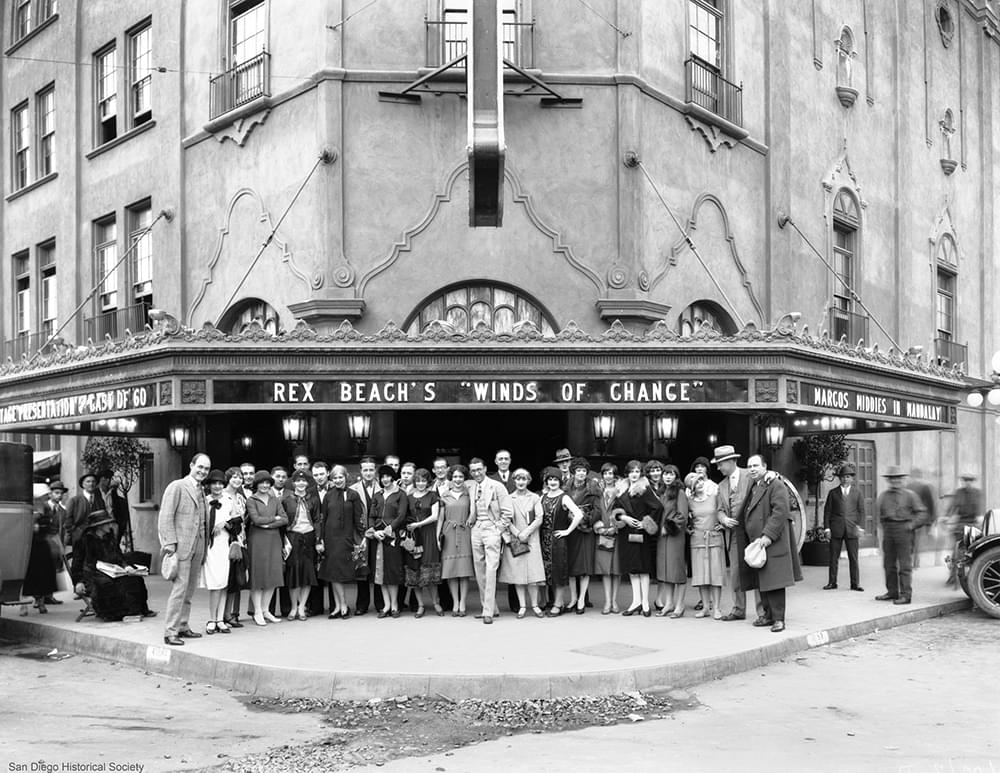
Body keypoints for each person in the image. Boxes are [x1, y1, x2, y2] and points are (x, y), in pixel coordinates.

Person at [738, 454, 801, 633]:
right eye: (749, 466)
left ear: (765, 466)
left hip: (772, 541)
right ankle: (767, 615)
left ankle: (779, 619)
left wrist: (768, 535)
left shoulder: (776, 484)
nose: (752, 469)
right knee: (762, 581)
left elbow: (780, 512)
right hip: (757, 542)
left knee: (775, 582)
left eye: (756, 465)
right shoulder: (754, 486)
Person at [158, 453, 211, 645]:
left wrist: (204, 548)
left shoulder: (202, 491)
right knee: (179, 590)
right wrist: (170, 545)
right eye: (200, 467)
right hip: (181, 546)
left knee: (189, 591)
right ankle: (170, 631)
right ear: (191, 465)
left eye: (206, 469)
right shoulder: (177, 486)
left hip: (197, 547)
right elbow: (165, 517)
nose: (203, 471)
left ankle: (182, 625)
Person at [72, 510, 154, 622]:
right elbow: (77, 563)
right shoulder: (85, 540)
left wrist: (126, 567)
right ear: (99, 526)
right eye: (107, 523)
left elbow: (118, 556)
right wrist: (78, 581)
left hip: (112, 570)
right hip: (92, 574)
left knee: (134, 578)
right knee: (108, 583)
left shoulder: (109, 537)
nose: (110, 525)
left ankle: (136, 610)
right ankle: (116, 613)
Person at [713, 445, 763, 623]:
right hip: (734, 534)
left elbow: (769, 480)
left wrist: (772, 474)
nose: (718, 468)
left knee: (757, 569)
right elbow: (718, 510)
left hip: (753, 532)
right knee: (735, 573)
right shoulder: (721, 485)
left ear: (731, 461)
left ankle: (762, 611)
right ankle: (738, 609)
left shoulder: (750, 475)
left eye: (720, 464)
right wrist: (724, 519)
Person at [612, 460, 662, 616]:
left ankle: (645, 602)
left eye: (637, 471)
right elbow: (615, 511)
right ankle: (636, 602)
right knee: (632, 569)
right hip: (626, 533)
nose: (634, 474)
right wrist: (623, 518)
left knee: (643, 568)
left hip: (641, 533)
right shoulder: (620, 490)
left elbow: (658, 507)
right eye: (631, 471)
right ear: (627, 473)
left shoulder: (645, 489)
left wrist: (645, 523)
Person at [316, 464, 366, 619]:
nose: (338, 480)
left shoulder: (353, 495)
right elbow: (322, 520)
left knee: (341, 573)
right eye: (335, 478)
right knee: (333, 573)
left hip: (346, 539)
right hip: (330, 539)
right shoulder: (328, 496)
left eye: (340, 477)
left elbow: (359, 518)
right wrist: (321, 539)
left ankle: (342, 605)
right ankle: (340, 606)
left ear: (346, 477)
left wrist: (363, 536)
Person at [467, 457, 513, 624]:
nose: (477, 473)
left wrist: (498, 528)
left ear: (485, 469)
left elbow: (508, 512)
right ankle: (490, 607)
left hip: (492, 528)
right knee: (479, 569)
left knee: (491, 568)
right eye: (473, 471)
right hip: (476, 529)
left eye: (479, 469)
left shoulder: (497, 486)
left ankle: (488, 612)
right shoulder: (471, 486)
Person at [497, 468, 546, 618]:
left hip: (532, 539)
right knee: (517, 575)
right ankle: (522, 606)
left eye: (524, 479)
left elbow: (539, 517)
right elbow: (506, 518)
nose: (520, 482)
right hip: (516, 539)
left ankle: (535, 605)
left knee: (533, 576)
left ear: (528, 481)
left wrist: (526, 532)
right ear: (514, 481)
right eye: (518, 479)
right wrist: (518, 533)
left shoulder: (535, 498)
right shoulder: (509, 498)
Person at [539, 466, 586, 616]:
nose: (552, 482)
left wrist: (567, 531)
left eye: (555, 479)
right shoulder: (543, 497)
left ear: (560, 481)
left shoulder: (564, 497)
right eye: (550, 479)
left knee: (558, 572)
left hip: (558, 540)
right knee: (548, 573)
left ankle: (558, 604)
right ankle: (551, 601)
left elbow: (578, 514)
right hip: (543, 539)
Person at [875, 466, 925, 604]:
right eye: (892, 478)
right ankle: (892, 592)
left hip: (904, 531)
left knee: (904, 565)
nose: (895, 481)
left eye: (897, 478)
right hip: (888, 531)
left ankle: (906, 595)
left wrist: (911, 525)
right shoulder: (884, 496)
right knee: (888, 564)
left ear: (902, 479)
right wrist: (882, 529)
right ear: (888, 480)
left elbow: (922, 513)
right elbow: (879, 515)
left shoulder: (910, 495)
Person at [245, 470, 289, 626]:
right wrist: (274, 519)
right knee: (258, 576)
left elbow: (284, 519)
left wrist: (268, 523)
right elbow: (256, 520)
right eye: (261, 482)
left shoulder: (275, 500)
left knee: (273, 575)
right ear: (256, 484)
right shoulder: (251, 500)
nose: (264, 485)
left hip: (274, 540)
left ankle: (265, 610)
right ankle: (257, 611)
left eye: (267, 483)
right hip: (257, 541)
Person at [199, 469, 240, 634]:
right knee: (215, 584)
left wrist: (225, 524)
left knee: (223, 582)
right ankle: (212, 618)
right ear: (209, 485)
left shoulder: (229, 500)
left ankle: (220, 619)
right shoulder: (204, 501)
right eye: (214, 483)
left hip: (225, 545)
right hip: (211, 547)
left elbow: (238, 522)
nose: (217, 486)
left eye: (220, 483)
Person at [649, 462, 689, 617]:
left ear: (676, 476)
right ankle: (668, 603)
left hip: (674, 536)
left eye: (671, 474)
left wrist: (669, 526)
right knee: (665, 571)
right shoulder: (661, 492)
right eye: (666, 473)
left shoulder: (680, 493)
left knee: (676, 570)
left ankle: (680, 605)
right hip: (661, 537)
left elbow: (683, 516)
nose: (667, 476)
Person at [371, 465, 410, 618]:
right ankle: (386, 605)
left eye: (387, 476)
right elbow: (371, 515)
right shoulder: (377, 495)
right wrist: (375, 531)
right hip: (378, 537)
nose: (385, 479)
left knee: (393, 572)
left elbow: (401, 516)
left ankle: (394, 605)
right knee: (380, 572)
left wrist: (389, 529)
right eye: (382, 477)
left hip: (394, 536)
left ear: (392, 476)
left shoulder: (401, 494)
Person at [685, 472, 725, 619]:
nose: (700, 483)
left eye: (701, 480)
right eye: (696, 482)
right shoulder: (689, 501)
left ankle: (716, 608)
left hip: (714, 538)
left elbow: (723, 512)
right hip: (697, 540)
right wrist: (686, 529)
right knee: (701, 576)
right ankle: (705, 608)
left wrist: (723, 524)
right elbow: (682, 517)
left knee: (715, 575)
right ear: (692, 487)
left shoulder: (715, 497)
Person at [404, 468, 443, 617]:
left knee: (430, 572)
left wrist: (418, 525)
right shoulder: (408, 497)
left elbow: (435, 516)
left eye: (424, 480)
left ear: (428, 482)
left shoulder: (433, 495)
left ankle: (436, 603)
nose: (421, 483)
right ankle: (420, 605)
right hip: (413, 537)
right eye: (418, 480)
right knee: (415, 572)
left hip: (428, 535)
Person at [281, 471, 319, 621]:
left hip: (308, 537)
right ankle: (293, 607)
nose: (301, 483)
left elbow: (317, 520)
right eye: (298, 481)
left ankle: (302, 607)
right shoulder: (287, 500)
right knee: (294, 574)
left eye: (304, 481)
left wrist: (318, 539)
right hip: (293, 537)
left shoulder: (314, 500)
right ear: (294, 483)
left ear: (308, 483)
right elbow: (283, 522)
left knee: (307, 574)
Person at [823, 462, 865, 592]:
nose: (845, 479)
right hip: (836, 529)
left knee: (853, 558)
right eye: (842, 476)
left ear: (852, 479)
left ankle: (855, 584)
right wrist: (827, 528)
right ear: (839, 478)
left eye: (848, 476)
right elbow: (827, 511)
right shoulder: (833, 493)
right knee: (833, 558)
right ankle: (832, 582)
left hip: (852, 529)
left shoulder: (857, 493)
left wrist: (860, 527)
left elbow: (861, 511)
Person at [440, 464, 474, 617]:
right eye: (455, 477)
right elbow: (441, 517)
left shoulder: (469, 495)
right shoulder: (445, 495)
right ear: (451, 478)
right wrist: (437, 536)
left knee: (464, 571)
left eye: (461, 476)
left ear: (465, 478)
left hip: (465, 532)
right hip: (448, 533)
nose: (458, 479)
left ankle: (463, 603)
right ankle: (455, 602)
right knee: (451, 570)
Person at [349, 456, 380, 615]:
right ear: (360, 471)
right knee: (360, 568)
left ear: (375, 471)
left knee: (379, 567)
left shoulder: (384, 487)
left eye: (371, 469)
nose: (368, 473)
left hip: (379, 535)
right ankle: (362, 604)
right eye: (365, 470)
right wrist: (361, 533)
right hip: (359, 535)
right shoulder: (353, 489)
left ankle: (381, 604)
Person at [22, 499, 62, 614]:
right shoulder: (26, 517)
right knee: (28, 579)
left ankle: (41, 603)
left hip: (43, 550)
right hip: (29, 550)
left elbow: (52, 531)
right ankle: (24, 606)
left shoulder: (46, 518)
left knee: (43, 578)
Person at [943, 473, 982, 586]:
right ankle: (952, 577)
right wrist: (946, 516)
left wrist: (979, 518)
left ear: (972, 482)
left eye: (970, 480)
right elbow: (952, 506)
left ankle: (972, 577)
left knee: (972, 552)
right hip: (960, 524)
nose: (967, 482)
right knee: (955, 552)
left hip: (973, 524)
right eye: (965, 480)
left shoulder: (977, 493)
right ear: (963, 481)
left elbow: (979, 508)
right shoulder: (958, 493)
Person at [593, 462, 622, 614]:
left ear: (615, 475)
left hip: (616, 534)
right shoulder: (598, 491)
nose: (608, 476)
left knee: (616, 570)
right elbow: (593, 509)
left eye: (611, 473)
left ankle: (615, 601)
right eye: (606, 473)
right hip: (602, 533)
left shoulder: (621, 491)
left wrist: (616, 527)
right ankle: (607, 601)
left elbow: (625, 512)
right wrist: (597, 526)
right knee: (605, 570)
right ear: (602, 475)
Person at [222, 466, 249, 628]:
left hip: (241, 539)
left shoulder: (241, 497)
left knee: (237, 578)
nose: (238, 480)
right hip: (227, 539)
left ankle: (231, 613)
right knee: (226, 578)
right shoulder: (222, 495)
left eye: (240, 477)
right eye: (234, 477)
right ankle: (222, 615)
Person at [41, 480, 69, 605]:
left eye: (61, 493)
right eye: (56, 493)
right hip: (42, 543)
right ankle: (39, 598)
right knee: (40, 570)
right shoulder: (42, 507)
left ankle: (49, 596)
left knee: (54, 569)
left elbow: (63, 529)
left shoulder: (63, 511)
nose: (59, 495)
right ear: (50, 494)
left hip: (56, 543)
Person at [906, 468, 936, 569]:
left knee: (913, 540)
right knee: (916, 541)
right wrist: (932, 518)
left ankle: (912, 562)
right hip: (919, 517)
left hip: (914, 517)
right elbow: (931, 503)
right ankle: (915, 563)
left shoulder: (909, 486)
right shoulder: (924, 487)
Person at [67, 472, 104, 552]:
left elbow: (102, 518)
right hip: (79, 538)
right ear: (83, 485)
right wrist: (75, 532)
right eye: (88, 481)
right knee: (78, 561)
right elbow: (68, 520)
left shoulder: (100, 501)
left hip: (96, 538)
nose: (91, 484)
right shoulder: (74, 500)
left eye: (93, 481)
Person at [97, 469, 131, 549]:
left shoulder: (113, 494)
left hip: (113, 525)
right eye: (105, 478)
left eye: (109, 478)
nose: (108, 480)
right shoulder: (96, 494)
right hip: (99, 526)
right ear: (100, 480)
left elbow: (118, 510)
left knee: (113, 549)